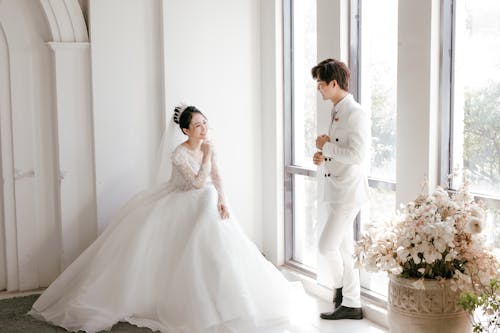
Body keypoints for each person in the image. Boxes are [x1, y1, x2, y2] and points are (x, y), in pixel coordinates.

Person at [29, 105, 301, 333]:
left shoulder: (209, 147)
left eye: (205, 123)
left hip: (206, 202)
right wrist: (206, 157)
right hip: (183, 200)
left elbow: (216, 177)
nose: (204, 129)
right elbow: (195, 184)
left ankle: (229, 301)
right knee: (201, 208)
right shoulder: (179, 153)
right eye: (197, 125)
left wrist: (223, 198)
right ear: (185, 130)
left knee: (215, 221)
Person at [311, 59, 370, 320]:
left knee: (326, 246)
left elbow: (357, 155)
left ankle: (339, 291)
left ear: (334, 83)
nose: (319, 89)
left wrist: (326, 147)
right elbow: (339, 149)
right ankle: (352, 304)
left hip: (348, 192)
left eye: (321, 84)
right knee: (344, 250)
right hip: (336, 188)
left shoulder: (355, 113)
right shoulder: (337, 109)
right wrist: (323, 156)